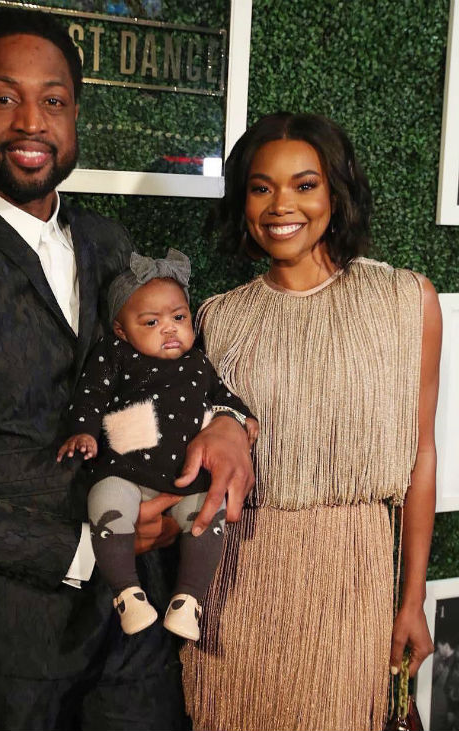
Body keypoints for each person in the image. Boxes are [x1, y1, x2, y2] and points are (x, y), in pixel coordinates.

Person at [0, 8, 254, 731]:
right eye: (6, 98)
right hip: (13, 641)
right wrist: (83, 549)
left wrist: (227, 422)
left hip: (138, 638)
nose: (31, 122)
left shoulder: (112, 245)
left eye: (54, 100)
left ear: (75, 115)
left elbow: (173, 365)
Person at [180, 112, 441, 731]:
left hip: (354, 579)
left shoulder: (408, 300)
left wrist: (412, 599)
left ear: (336, 192)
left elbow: (422, 455)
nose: (281, 205)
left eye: (304, 184)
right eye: (261, 187)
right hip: (237, 584)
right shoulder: (220, 320)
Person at [58, 249, 257, 641]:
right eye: (151, 322)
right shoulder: (115, 355)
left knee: (207, 516)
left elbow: (224, 399)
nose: (169, 329)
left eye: (179, 318)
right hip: (125, 471)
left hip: (185, 479)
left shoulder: (199, 364)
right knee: (106, 504)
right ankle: (127, 594)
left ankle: (189, 600)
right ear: (121, 330)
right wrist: (82, 432)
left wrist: (238, 419)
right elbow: (89, 396)